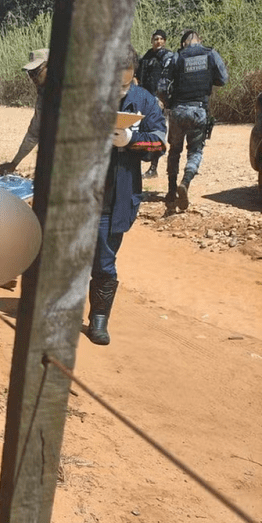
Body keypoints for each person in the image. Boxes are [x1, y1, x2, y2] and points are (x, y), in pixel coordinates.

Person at [87, 45, 167, 346]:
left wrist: (131, 139)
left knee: (105, 259)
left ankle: (99, 318)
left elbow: (160, 143)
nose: (120, 91)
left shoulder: (144, 100)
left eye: (125, 84)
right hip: (81, 194)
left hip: (116, 196)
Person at [161, 29, 228, 211]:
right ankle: (186, 181)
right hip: (199, 110)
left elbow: (162, 86)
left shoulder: (177, 56)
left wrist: (169, 104)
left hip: (178, 111)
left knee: (174, 150)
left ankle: (171, 190)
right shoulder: (210, 54)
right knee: (195, 151)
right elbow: (223, 79)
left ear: (183, 43)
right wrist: (208, 78)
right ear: (200, 39)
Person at [0, 48, 48, 174]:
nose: (33, 77)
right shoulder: (43, 95)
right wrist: (14, 164)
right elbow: (33, 135)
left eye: (36, 72)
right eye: (30, 73)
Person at [134, 29, 174, 179]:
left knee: (156, 133)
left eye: (161, 39)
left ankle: (153, 168)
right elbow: (138, 75)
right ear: (152, 41)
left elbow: (169, 79)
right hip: (144, 99)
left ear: (165, 41)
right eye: (156, 39)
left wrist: (163, 98)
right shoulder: (146, 56)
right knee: (142, 131)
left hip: (158, 101)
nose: (158, 41)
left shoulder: (168, 57)